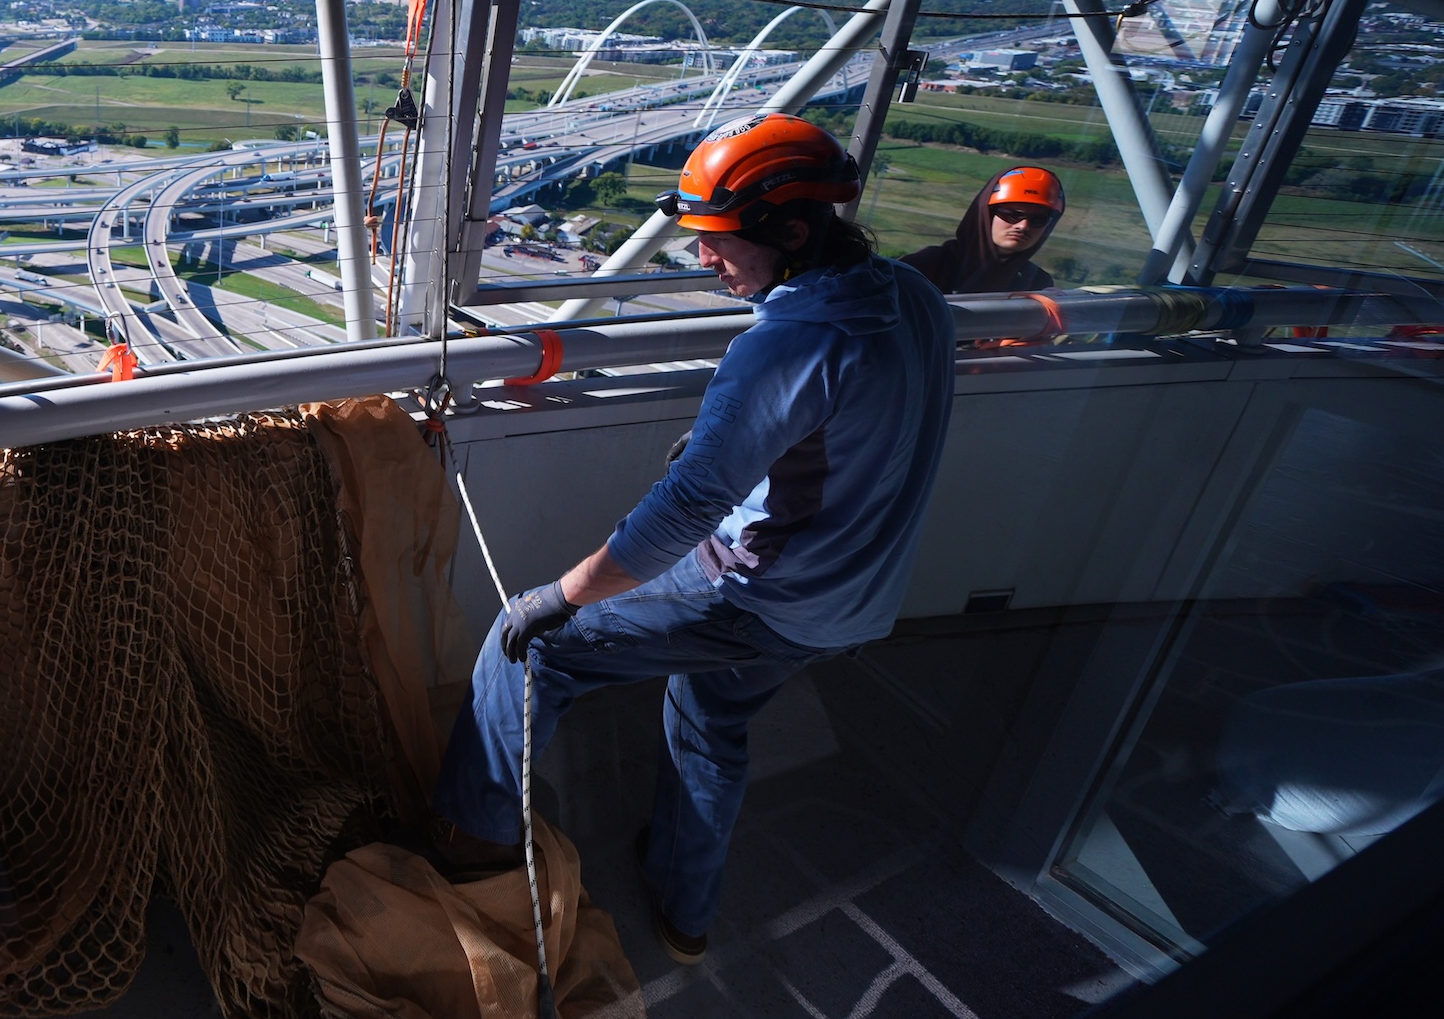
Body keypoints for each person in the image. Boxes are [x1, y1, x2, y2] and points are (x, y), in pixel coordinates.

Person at [431, 113, 955, 964]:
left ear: (790, 231)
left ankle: (472, 853)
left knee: (526, 643)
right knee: (710, 715)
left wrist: (555, 595)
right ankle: (684, 907)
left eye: (719, 244)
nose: (704, 260)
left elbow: (682, 513)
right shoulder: (916, 299)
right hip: (855, 601)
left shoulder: (789, 344)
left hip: (760, 598)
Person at [901, 165, 1066, 293]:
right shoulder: (925, 265)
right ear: (986, 214)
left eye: (1039, 220)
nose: (1023, 226)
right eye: (1011, 215)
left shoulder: (1037, 283)